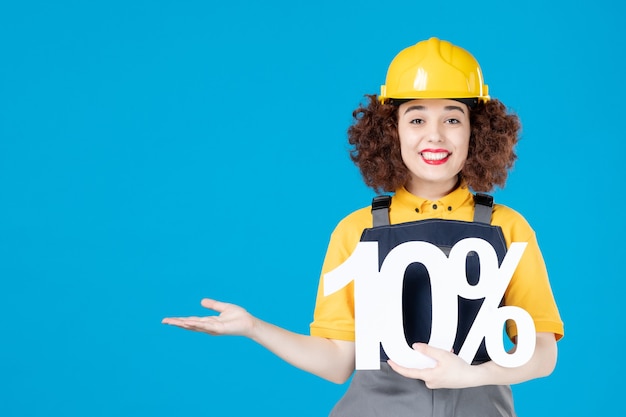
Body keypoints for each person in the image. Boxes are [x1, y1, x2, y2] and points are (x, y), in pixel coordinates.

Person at [162, 37, 564, 416]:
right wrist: (254, 328)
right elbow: (339, 361)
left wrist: (472, 374)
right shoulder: (356, 230)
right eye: (417, 118)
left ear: (477, 131)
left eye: (453, 119)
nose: (435, 136)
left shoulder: (507, 228)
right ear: (392, 131)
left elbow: (543, 353)